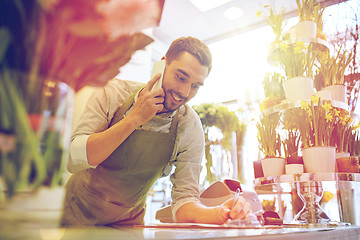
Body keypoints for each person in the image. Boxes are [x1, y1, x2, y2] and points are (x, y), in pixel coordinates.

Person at [60, 36, 251, 227]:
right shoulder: (113, 93)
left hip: (127, 224)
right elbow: (73, 159)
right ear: (162, 66)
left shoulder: (189, 126)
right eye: (181, 77)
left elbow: (184, 202)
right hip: (75, 213)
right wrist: (135, 118)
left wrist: (219, 212)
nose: (184, 93)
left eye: (194, 86)